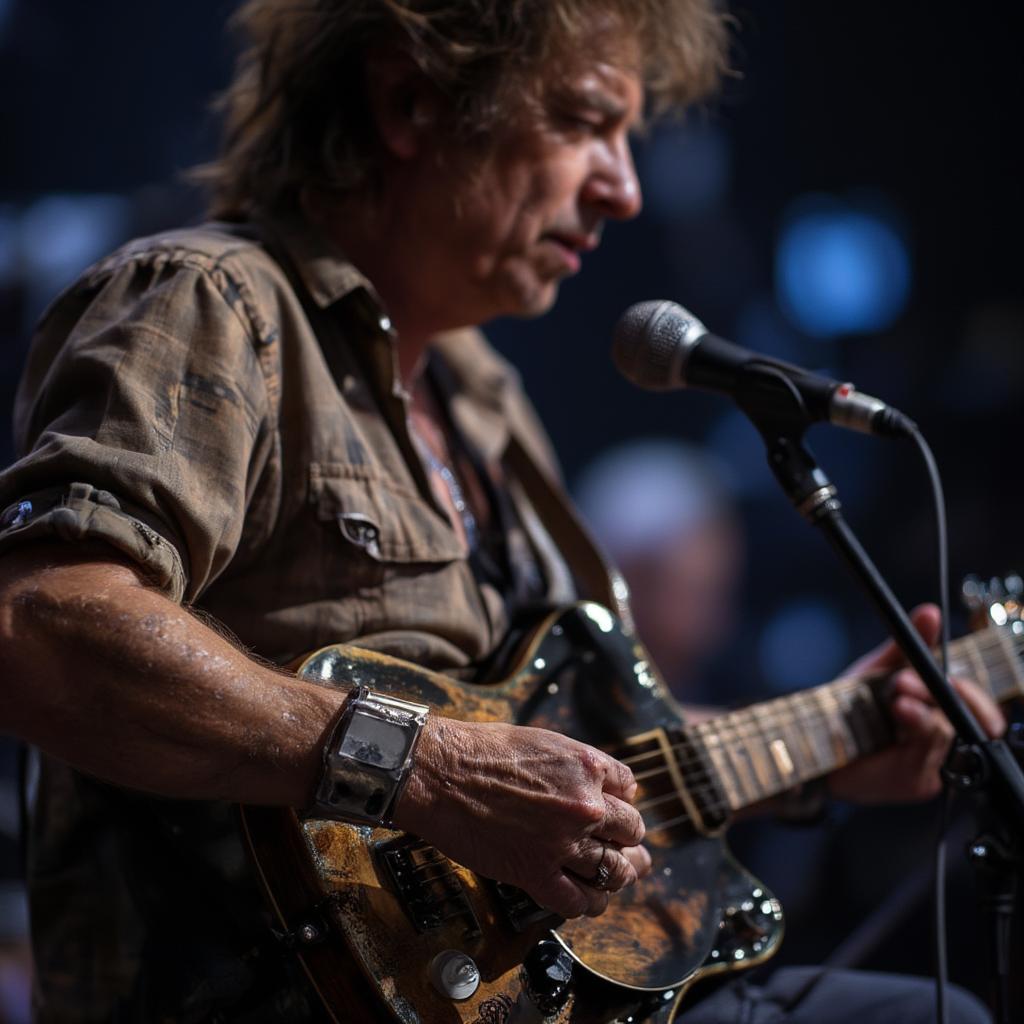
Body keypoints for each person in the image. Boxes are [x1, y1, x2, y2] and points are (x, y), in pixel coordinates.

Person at [0, 1, 1004, 1021]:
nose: (623, 187)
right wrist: (422, 764)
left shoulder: (487, 397)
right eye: (582, 121)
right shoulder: (211, 302)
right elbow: (37, 628)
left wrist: (833, 748)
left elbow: (560, 749)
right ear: (410, 101)